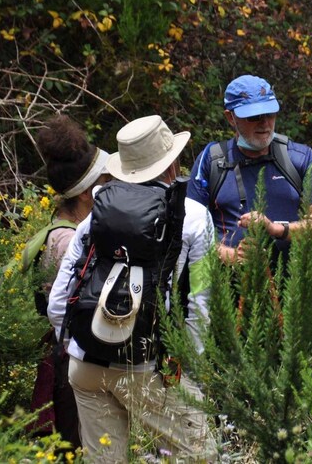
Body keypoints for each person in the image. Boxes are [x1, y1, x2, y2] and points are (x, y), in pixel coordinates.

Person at [48, 115, 215, 462]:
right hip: (148, 367)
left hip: (85, 366)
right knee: (202, 455)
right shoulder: (195, 217)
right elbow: (199, 302)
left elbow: (57, 304)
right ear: (173, 162)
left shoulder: (96, 214)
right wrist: (187, 369)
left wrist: (80, 346)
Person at [28, 115, 110, 448]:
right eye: (106, 179)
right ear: (89, 192)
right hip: (72, 363)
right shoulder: (68, 241)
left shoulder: (60, 229)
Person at [188, 74, 312, 266]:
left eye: (270, 113)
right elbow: (190, 230)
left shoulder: (300, 158)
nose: (264, 123)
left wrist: (277, 229)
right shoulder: (212, 161)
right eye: (253, 116)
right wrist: (231, 256)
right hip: (226, 289)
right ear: (231, 117)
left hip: (292, 288)